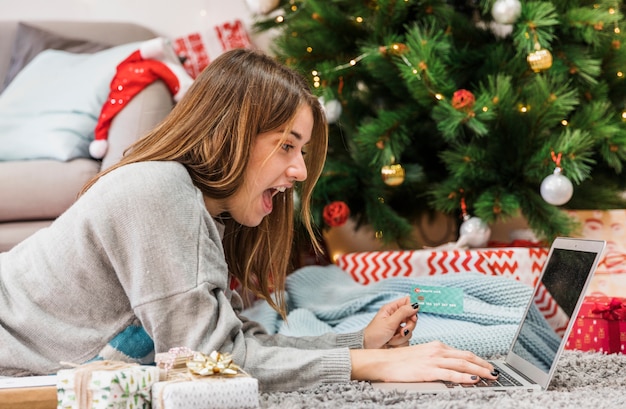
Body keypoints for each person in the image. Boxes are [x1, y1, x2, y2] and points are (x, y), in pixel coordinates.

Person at [0, 48, 498, 392]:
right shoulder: (157, 189)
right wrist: (373, 364)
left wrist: (357, 342)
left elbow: (230, 347)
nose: (300, 171)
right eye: (286, 146)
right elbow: (207, 366)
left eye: (301, 151)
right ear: (229, 134)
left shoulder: (197, 209)